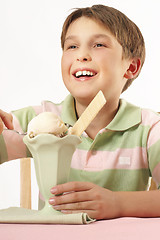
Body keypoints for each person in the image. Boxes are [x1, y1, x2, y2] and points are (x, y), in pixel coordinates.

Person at [0, 4, 160, 220]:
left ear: (131, 67)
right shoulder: (37, 121)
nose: (82, 55)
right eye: (72, 46)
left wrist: (117, 203)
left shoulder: (149, 128)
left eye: (99, 44)